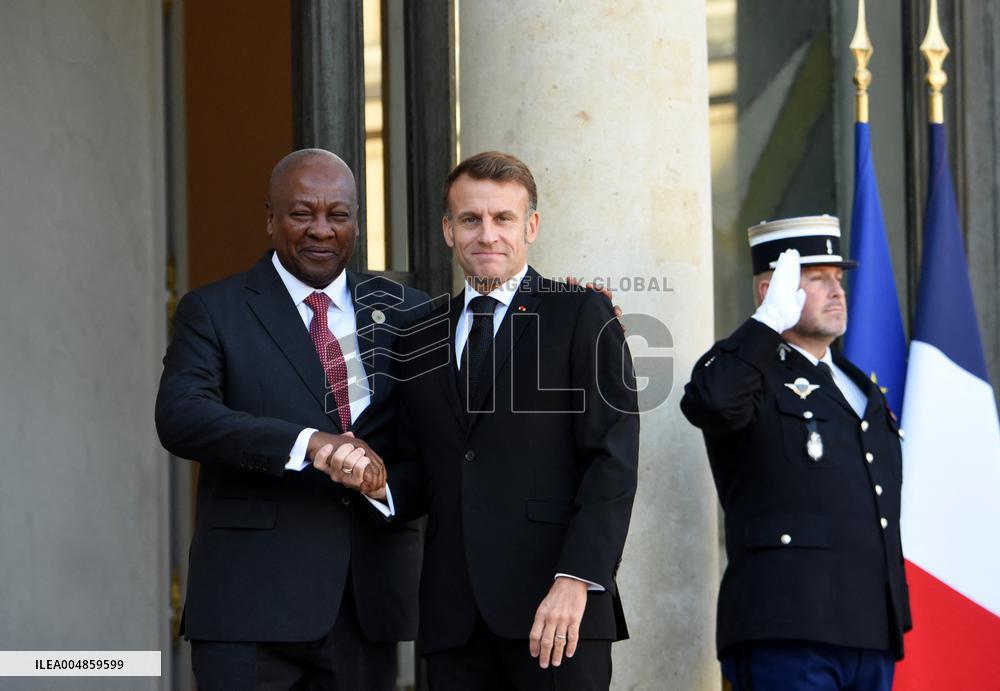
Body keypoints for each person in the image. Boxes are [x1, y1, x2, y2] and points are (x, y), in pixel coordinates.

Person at [319, 151, 640, 690]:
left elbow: (612, 461)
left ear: (531, 226)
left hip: (556, 613)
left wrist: (577, 581)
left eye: (503, 219)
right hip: (453, 621)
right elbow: (422, 463)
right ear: (448, 230)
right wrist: (380, 486)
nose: (486, 234)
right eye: (470, 219)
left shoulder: (582, 314)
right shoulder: (418, 333)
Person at [155, 149, 431, 690]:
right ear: (271, 219)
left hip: (365, 607)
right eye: (302, 213)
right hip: (247, 609)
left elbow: (449, 437)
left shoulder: (407, 312)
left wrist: (580, 319)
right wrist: (309, 445)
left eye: (338, 215)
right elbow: (182, 416)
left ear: (357, 221)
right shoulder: (214, 309)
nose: (321, 231)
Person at [680, 216, 911, 691]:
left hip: (869, 629)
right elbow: (712, 401)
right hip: (787, 626)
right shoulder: (750, 374)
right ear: (771, 290)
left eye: (838, 278)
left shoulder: (860, 387)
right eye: (816, 278)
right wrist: (766, 324)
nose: (836, 291)